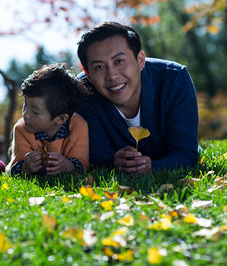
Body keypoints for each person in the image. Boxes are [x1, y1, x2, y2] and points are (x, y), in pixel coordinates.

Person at [77, 21, 199, 174]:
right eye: (99, 67)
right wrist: (112, 164)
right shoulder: (82, 92)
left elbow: (186, 153)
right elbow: (96, 158)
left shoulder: (174, 79)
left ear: (140, 60)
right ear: (88, 74)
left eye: (119, 61)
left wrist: (152, 167)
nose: (112, 76)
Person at [7, 64, 90, 176]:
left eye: (35, 112)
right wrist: (25, 168)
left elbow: (83, 163)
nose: (26, 114)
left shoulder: (78, 126)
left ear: (60, 119)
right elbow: (15, 167)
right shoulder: (22, 128)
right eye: (25, 104)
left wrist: (69, 166)